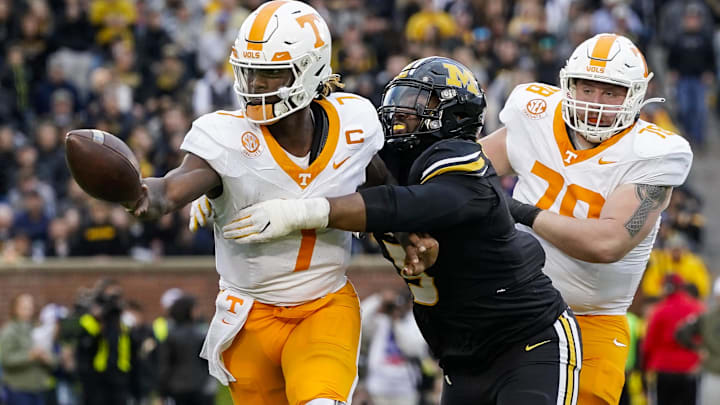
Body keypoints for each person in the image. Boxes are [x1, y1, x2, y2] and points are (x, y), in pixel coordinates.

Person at [221, 56, 582, 405]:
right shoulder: (390, 161)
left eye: (419, 101)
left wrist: (305, 212)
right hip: (461, 360)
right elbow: (311, 162)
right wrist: (227, 187)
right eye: (402, 99)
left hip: (528, 344)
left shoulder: (460, 166)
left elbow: (406, 204)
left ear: (456, 114)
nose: (402, 112)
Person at [123, 2, 429, 404]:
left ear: (310, 69)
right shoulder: (224, 137)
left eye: (269, 73)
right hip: (248, 315)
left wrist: (408, 236)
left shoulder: (354, 123)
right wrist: (135, 193)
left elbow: (382, 190)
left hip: (324, 303)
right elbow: (165, 192)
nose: (255, 84)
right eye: (248, 71)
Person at [477, 33, 694, 405]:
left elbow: (606, 243)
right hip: (513, 305)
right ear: (568, 84)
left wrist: (517, 211)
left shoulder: (654, 154)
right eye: (588, 88)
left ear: (636, 96)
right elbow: (464, 173)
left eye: (611, 92)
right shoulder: (537, 114)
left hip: (591, 320)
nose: (597, 103)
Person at [642, 274, 703, 405]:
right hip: (690, 368)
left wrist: (644, 368)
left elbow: (648, 344)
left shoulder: (659, 311)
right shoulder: (696, 308)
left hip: (663, 369)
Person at [0, 293, 55, 405]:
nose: (28, 310)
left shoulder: (38, 329)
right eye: (24, 307)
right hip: (18, 390)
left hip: (39, 389)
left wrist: (47, 358)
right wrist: (30, 356)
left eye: (30, 307)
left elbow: (53, 358)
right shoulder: (9, 331)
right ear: (15, 309)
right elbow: (5, 360)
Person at [676, 278, 720, 405]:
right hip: (713, 373)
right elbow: (681, 333)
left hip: (712, 372)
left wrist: (698, 348)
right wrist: (698, 348)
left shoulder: (706, 316)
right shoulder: (706, 317)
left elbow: (681, 332)